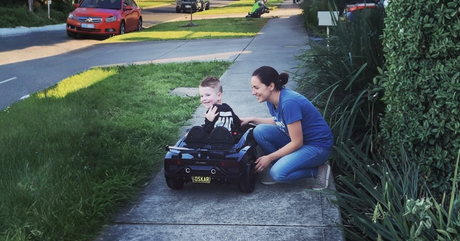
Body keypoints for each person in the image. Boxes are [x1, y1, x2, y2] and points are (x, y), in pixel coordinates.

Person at [240, 66, 333, 190]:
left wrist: (269, 157)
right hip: (299, 139)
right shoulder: (271, 99)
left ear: (271, 86)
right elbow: (281, 121)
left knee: (278, 174)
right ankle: (283, 164)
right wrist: (252, 119)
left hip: (317, 146)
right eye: (252, 88)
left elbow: (297, 142)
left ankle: (318, 170)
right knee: (259, 131)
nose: (253, 92)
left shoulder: (289, 102)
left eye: (256, 87)